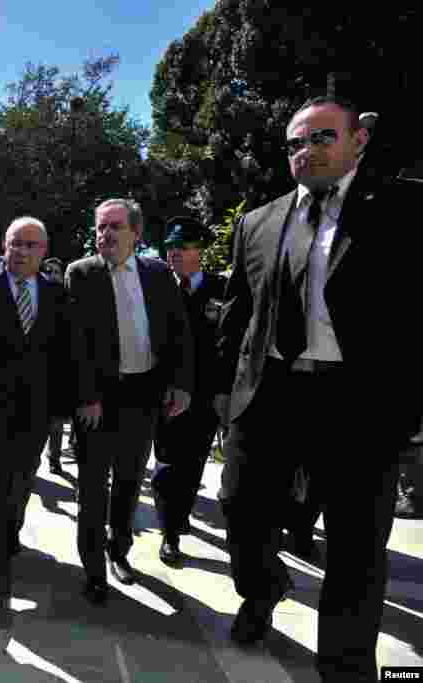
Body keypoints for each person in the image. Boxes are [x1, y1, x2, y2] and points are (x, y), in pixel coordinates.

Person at [215, 95, 422, 681]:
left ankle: (345, 665)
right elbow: (239, 315)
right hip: (271, 397)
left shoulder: (405, 207)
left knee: (356, 549)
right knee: (239, 508)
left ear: (360, 138)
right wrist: (222, 395)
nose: (306, 152)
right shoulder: (259, 222)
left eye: (322, 137)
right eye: (295, 144)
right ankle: (262, 590)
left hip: (360, 406)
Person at [66, 198, 193, 605]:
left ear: (135, 234)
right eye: (101, 227)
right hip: (98, 401)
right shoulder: (81, 273)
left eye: (114, 227)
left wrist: (181, 384)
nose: (105, 234)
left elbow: (178, 333)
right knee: (91, 487)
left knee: (127, 482)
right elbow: (76, 345)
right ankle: (92, 569)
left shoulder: (158, 274)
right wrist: (86, 397)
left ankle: (118, 550)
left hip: (143, 396)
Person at [0, 217, 78, 610]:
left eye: (30, 245)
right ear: (4, 244)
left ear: (43, 250)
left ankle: (6, 537)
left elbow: (64, 354)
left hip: (36, 411)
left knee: (21, 484)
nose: (22, 251)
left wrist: (62, 408)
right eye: (15, 243)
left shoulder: (57, 293)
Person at [149, 217, 228, 567]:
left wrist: (224, 392)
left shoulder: (221, 289)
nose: (174, 256)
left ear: (200, 252)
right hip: (166, 393)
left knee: (193, 464)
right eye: (170, 249)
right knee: (166, 464)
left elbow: (230, 345)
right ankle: (170, 533)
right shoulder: (157, 287)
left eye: (182, 249)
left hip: (206, 396)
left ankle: (180, 515)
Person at [40, 257, 69, 474]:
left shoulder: (68, 298)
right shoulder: (35, 295)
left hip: (60, 369)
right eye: (48, 270)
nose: (52, 274)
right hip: (38, 370)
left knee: (56, 423)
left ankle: (54, 458)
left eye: (56, 271)